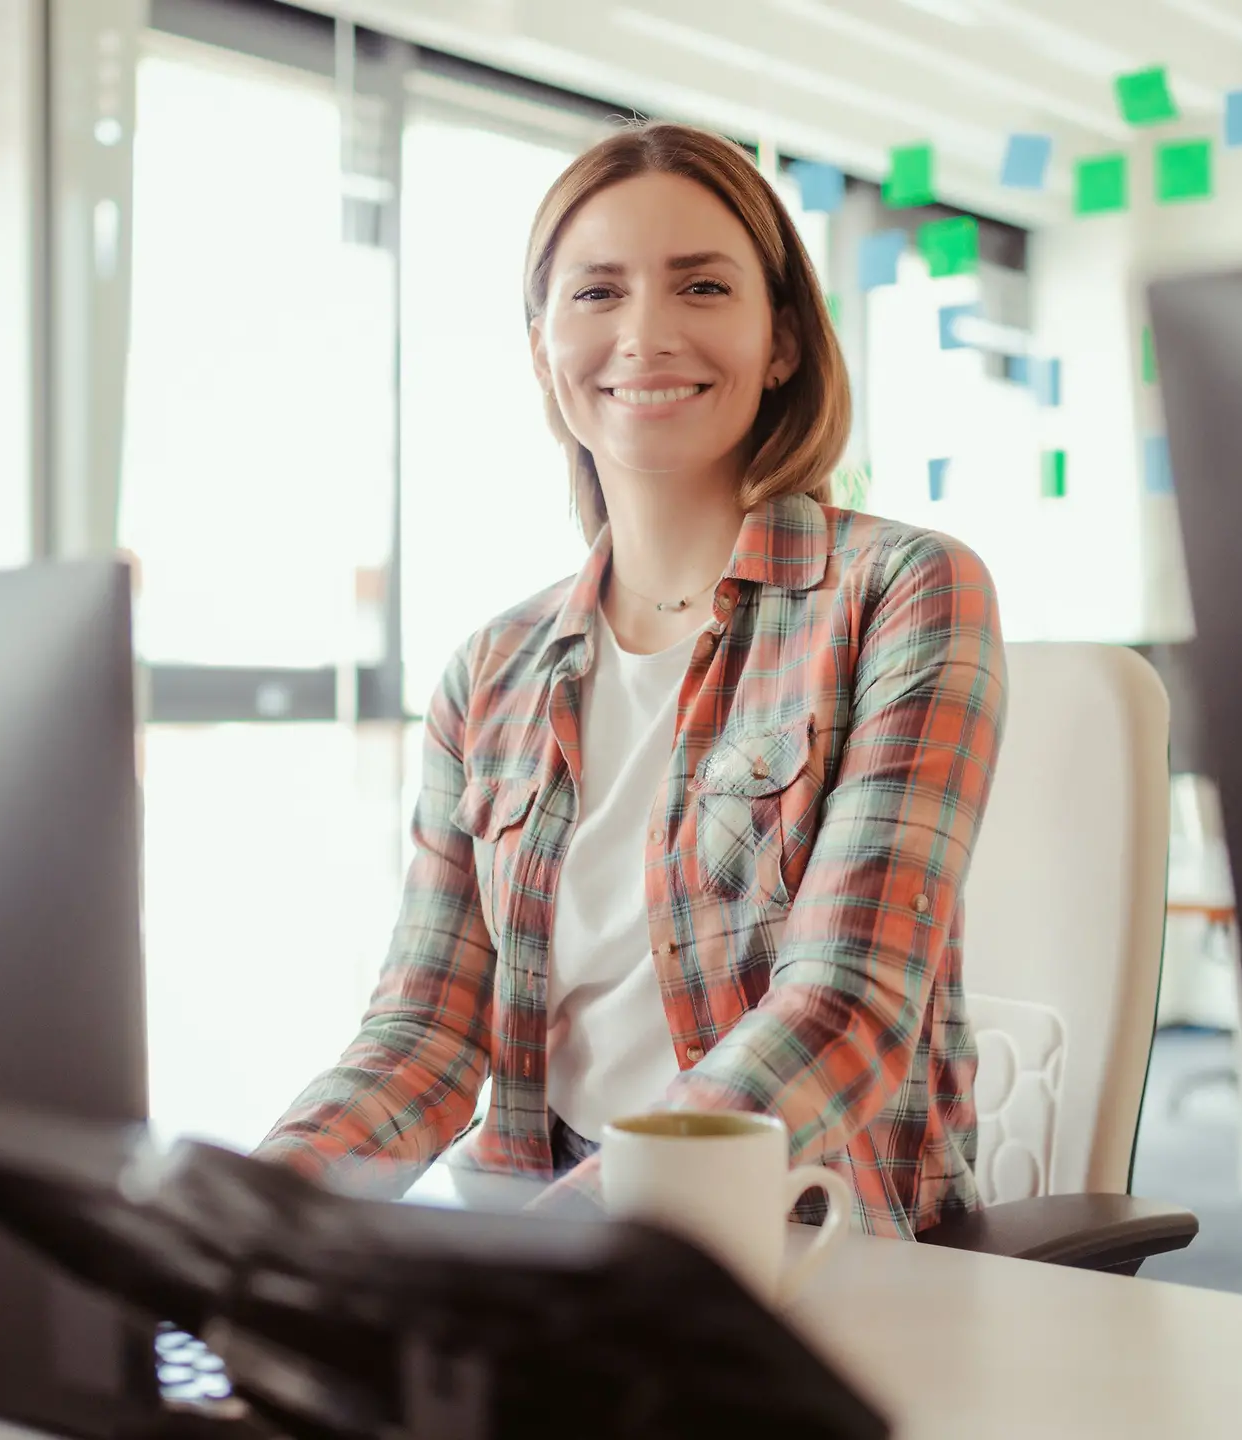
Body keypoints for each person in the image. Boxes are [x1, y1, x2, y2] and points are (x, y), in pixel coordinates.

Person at [255, 121, 1007, 1239]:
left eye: (701, 286)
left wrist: (569, 1244)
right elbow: (425, 1034)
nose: (646, 335)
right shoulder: (492, 672)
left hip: (805, 1241)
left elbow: (843, 1006)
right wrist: (249, 1212)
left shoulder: (900, 591)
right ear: (541, 349)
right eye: (597, 293)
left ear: (783, 341)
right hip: (543, 1225)